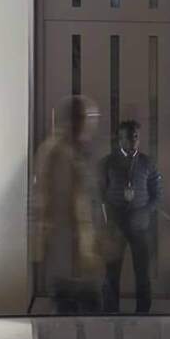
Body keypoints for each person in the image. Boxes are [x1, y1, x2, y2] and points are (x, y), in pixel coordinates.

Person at [32, 99, 103, 315]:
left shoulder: (74, 150)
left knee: (80, 309)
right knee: (69, 311)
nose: (91, 126)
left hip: (76, 252)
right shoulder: (58, 152)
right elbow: (65, 203)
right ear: (77, 120)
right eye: (88, 119)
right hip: (67, 251)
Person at [101, 119, 161, 316]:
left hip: (140, 226)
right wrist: (107, 216)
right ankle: (111, 313)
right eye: (129, 137)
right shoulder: (108, 162)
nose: (133, 140)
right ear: (120, 139)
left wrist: (145, 212)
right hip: (115, 226)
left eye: (136, 136)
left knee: (142, 273)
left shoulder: (147, 163)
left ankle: (143, 314)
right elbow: (99, 194)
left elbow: (157, 195)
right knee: (112, 273)